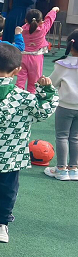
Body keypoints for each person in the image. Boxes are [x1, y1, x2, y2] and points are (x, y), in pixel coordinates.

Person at [0, 43, 57, 245]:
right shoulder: (24, 98)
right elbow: (44, 110)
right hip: (11, 156)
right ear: (17, 70)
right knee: (7, 192)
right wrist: (46, 91)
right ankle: (1, 226)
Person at [47, 31, 78, 181]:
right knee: (75, 137)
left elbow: (52, 82)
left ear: (70, 45)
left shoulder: (63, 64)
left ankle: (61, 169)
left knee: (62, 136)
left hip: (65, 105)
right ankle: (73, 168)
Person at [17, 6, 58, 92]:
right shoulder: (43, 29)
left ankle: (18, 95)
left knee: (20, 80)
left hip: (22, 57)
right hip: (36, 58)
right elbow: (49, 20)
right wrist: (53, 10)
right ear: (41, 21)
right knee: (34, 82)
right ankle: (31, 96)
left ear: (26, 20)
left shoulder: (22, 30)